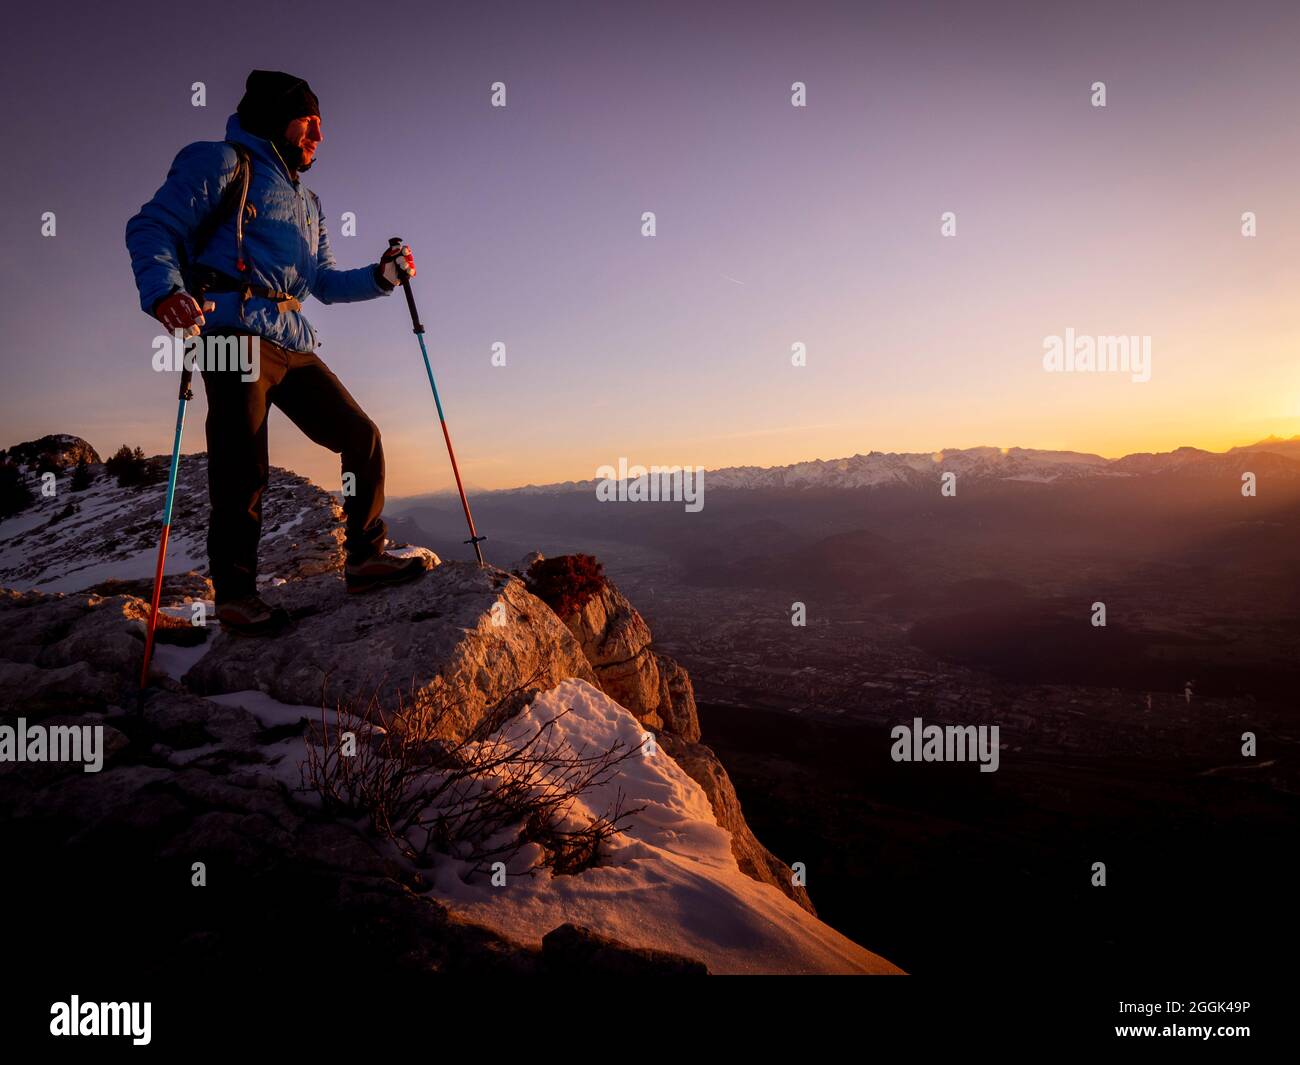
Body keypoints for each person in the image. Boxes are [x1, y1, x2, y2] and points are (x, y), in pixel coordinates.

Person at [126, 70, 428, 634]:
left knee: (360, 436)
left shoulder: (309, 202)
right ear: (273, 116)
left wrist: (383, 277)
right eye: (308, 121)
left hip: (290, 337)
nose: (318, 134)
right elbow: (152, 226)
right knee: (243, 465)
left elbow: (324, 282)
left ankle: (364, 558)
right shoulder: (221, 162)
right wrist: (166, 291)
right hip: (228, 332)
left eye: (321, 124)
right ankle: (237, 595)